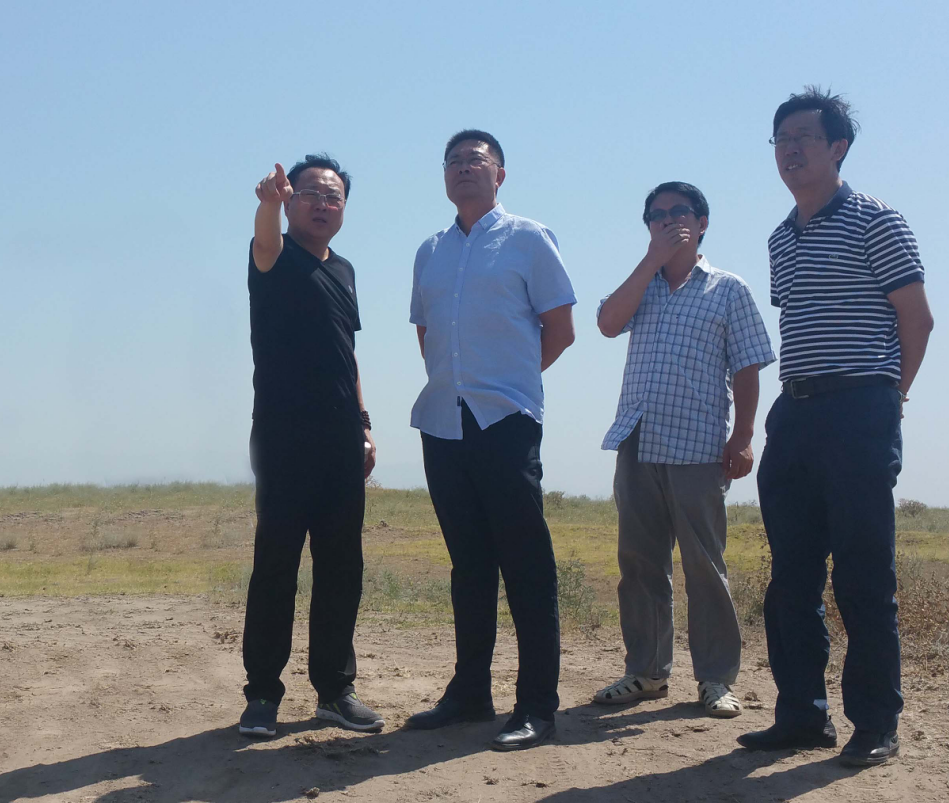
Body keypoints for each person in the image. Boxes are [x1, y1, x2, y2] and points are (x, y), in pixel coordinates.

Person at [738, 88, 934, 767]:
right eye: (781, 139)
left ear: (838, 147)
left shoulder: (877, 220)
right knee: (790, 578)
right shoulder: (779, 237)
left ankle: (875, 722)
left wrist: (891, 398)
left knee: (862, 575)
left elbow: (917, 319)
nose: (790, 149)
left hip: (859, 410)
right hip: (794, 413)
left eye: (804, 137)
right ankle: (801, 716)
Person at [405, 130, 577, 751]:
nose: (463, 168)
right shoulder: (430, 250)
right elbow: (426, 333)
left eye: (475, 160)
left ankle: (537, 706)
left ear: (499, 174)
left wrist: (509, 383)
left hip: (504, 421)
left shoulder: (529, 238)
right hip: (442, 423)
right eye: (452, 161)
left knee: (527, 567)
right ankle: (470, 693)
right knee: (469, 566)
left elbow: (560, 329)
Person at [594, 182, 775, 718]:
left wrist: (743, 437)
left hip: (698, 446)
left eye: (680, 212)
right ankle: (646, 672)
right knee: (639, 564)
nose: (668, 221)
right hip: (637, 440)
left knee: (704, 567)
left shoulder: (728, 289)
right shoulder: (642, 284)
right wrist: (650, 260)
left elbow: (748, 367)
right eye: (657, 215)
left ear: (702, 223)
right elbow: (606, 324)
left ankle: (716, 680)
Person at [239, 154, 384, 738]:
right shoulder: (274, 256)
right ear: (291, 201)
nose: (324, 204)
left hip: (341, 439)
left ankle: (335, 690)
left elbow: (347, 354)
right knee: (276, 565)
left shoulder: (344, 270)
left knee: (342, 567)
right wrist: (267, 205)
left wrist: (364, 424)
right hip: (282, 437)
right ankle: (262, 695)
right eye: (311, 194)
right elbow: (265, 239)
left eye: (334, 196)